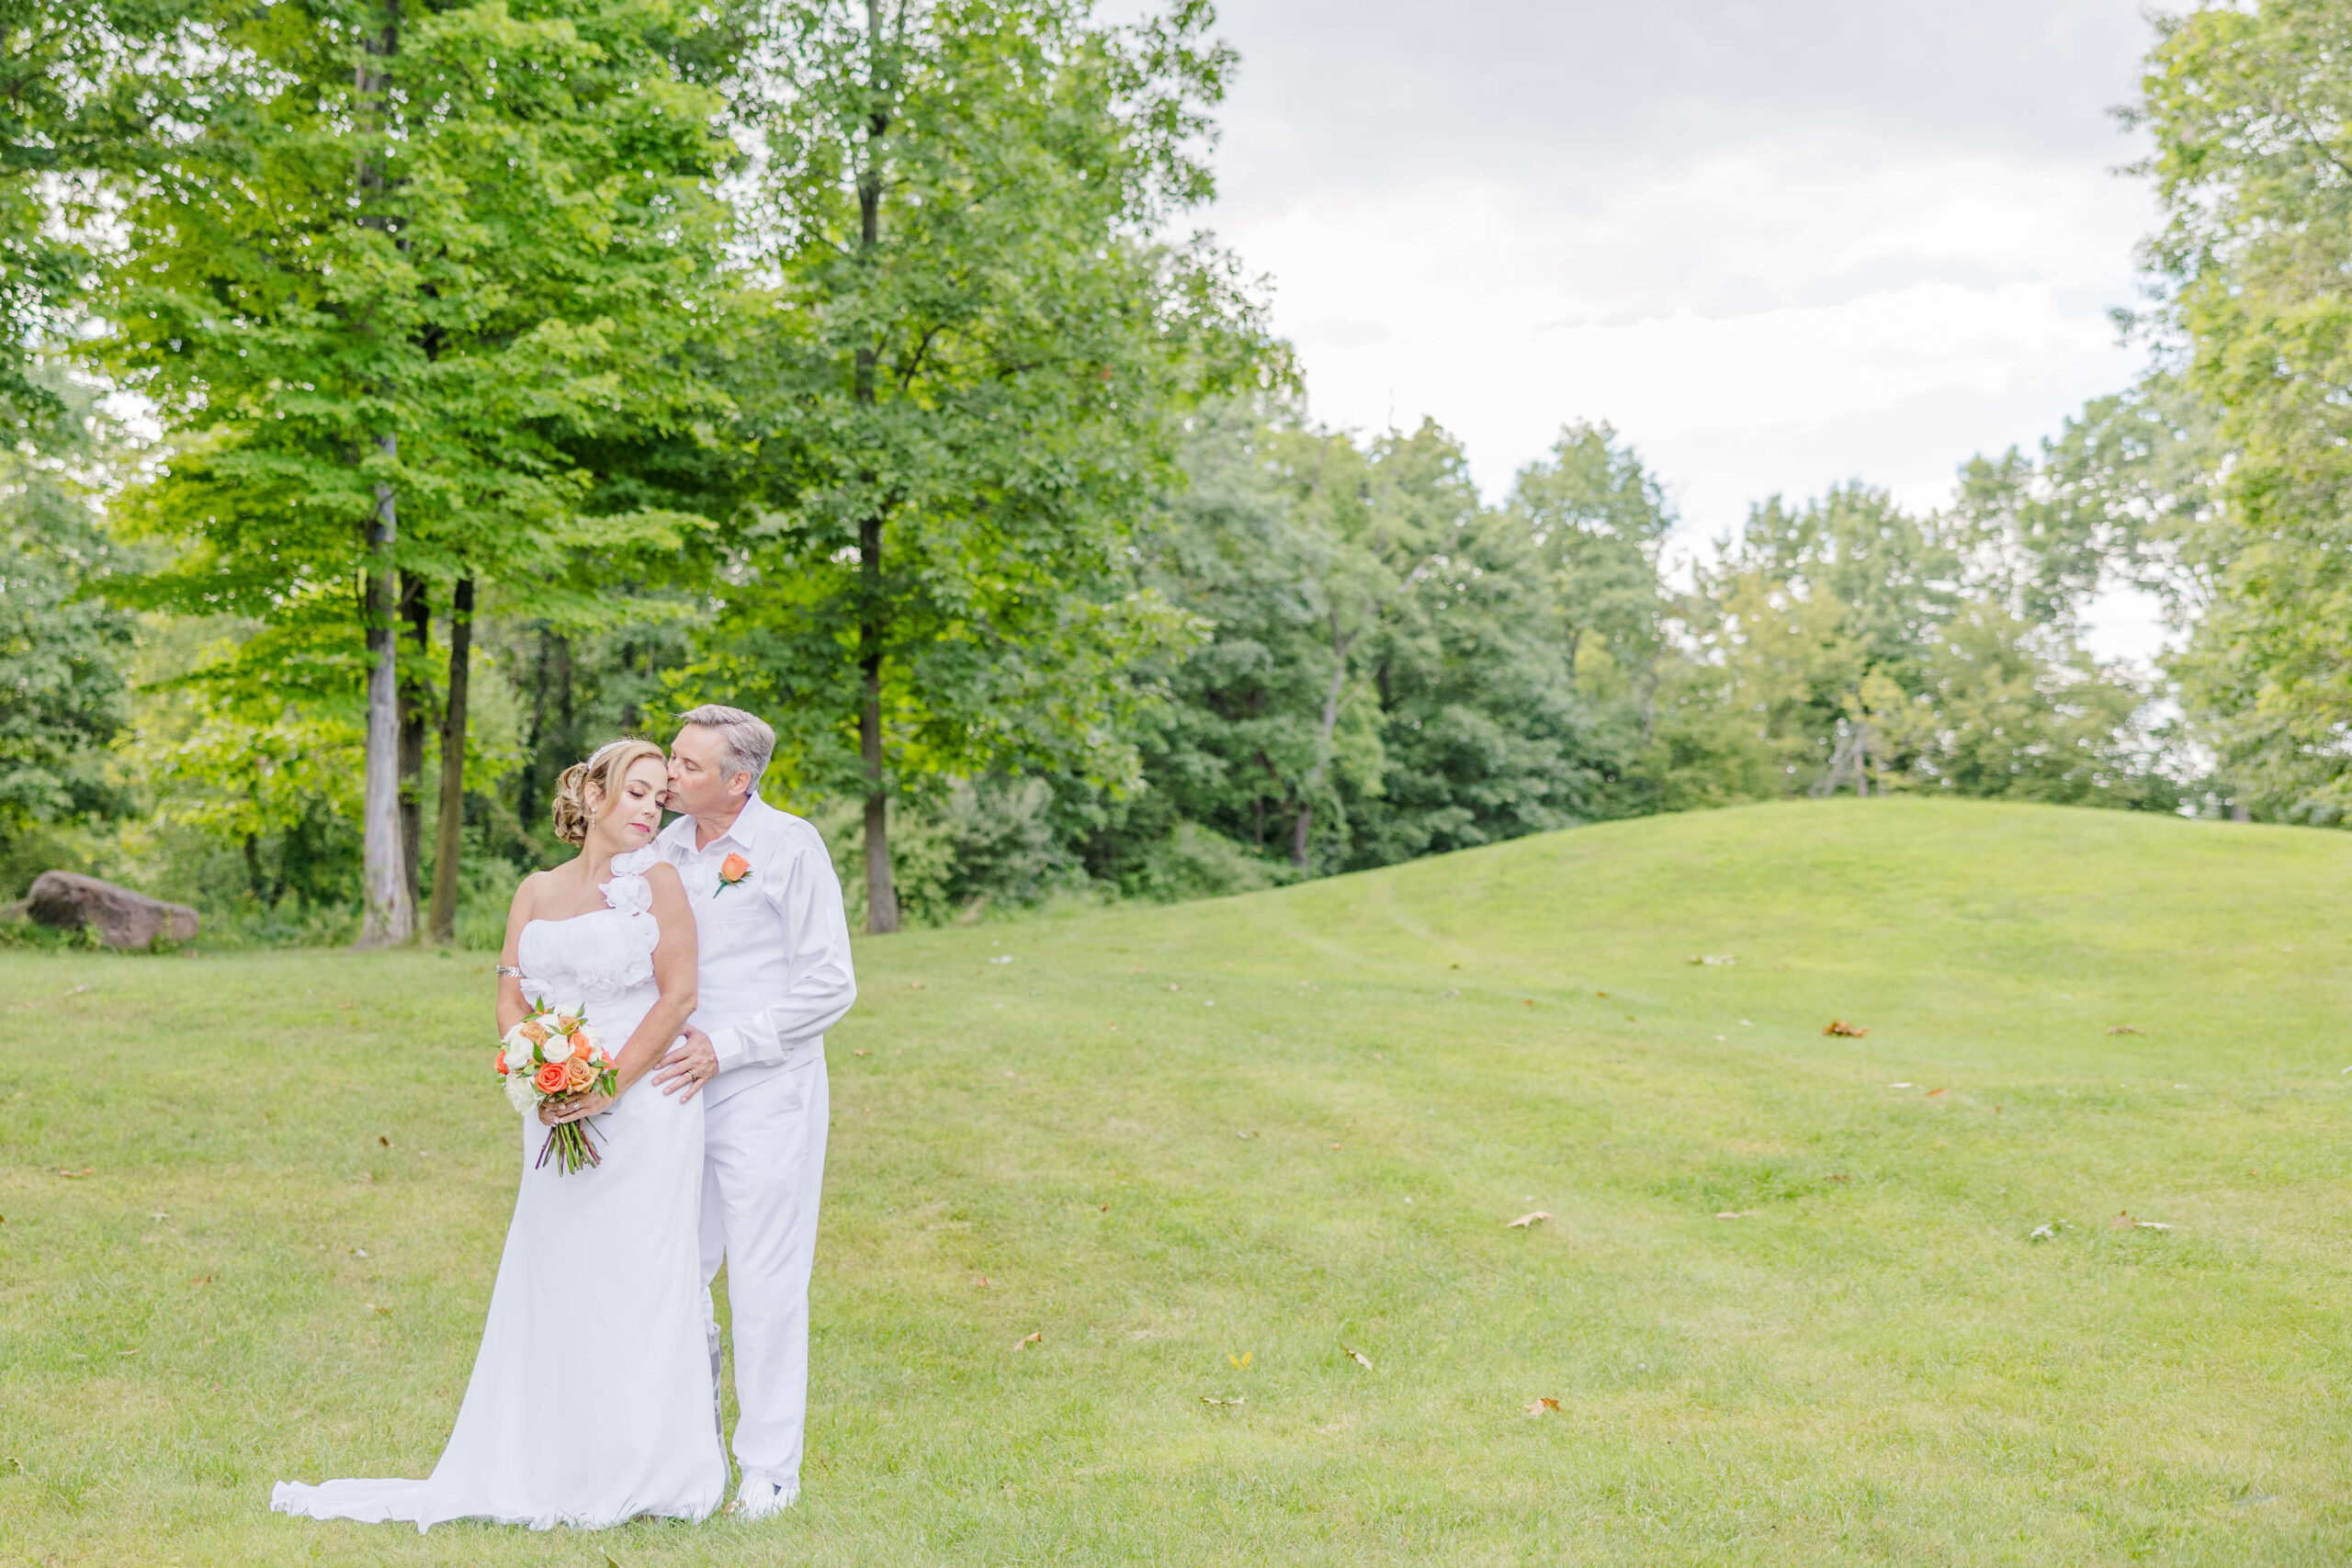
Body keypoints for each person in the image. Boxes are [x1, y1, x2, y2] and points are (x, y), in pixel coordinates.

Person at [273, 739, 727, 1531]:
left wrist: (606, 1082)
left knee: (635, 1277)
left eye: (661, 796)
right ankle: (543, 1458)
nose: (652, 807)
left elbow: (679, 994)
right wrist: (539, 1070)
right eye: (637, 791)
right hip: (553, 1111)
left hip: (646, 1107)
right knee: (554, 1275)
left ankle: (643, 1463)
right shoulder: (535, 890)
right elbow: (511, 995)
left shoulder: (661, 884)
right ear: (592, 794)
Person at [643, 704, 856, 1518]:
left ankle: (769, 1470)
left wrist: (727, 1046)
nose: (669, 774)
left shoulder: (788, 847)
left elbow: (831, 983)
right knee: (674, 1269)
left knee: (765, 1280)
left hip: (765, 1090)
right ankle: (686, 1448)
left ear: (738, 783)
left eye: (689, 766)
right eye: (672, 756)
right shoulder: (658, 846)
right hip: (670, 1091)